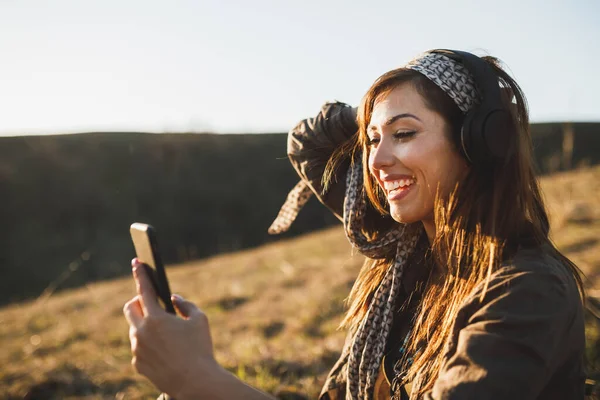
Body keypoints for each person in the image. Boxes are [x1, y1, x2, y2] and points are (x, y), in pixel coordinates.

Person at [123, 49, 586, 399]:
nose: (378, 161)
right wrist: (380, 111)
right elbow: (310, 141)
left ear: (478, 145)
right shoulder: (405, 259)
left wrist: (199, 380)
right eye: (370, 140)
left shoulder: (527, 292)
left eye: (404, 134)